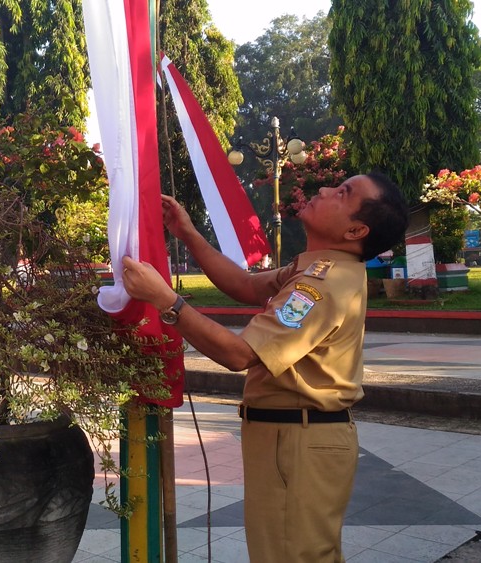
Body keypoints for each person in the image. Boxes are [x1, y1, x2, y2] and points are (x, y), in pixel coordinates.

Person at [121, 173, 408, 562]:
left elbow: (240, 355)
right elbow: (244, 285)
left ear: (356, 229)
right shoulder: (320, 268)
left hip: (298, 440)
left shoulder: (321, 286)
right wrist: (187, 232)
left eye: (343, 193)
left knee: (289, 554)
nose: (322, 190)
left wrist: (166, 301)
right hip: (291, 436)